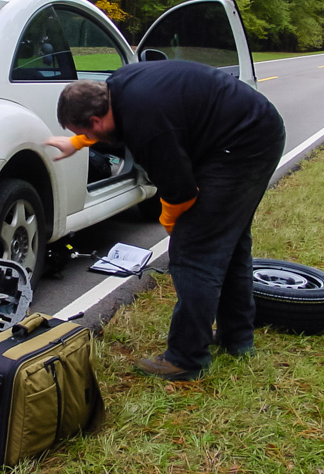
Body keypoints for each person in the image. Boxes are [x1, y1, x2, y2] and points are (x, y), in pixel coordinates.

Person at [45, 60, 286, 381]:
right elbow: (109, 128)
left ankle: (186, 358)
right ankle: (236, 339)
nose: (86, 138)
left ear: (95, 119)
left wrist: (176, 227)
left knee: (195, 253)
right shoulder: (115, 88)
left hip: (244, 145)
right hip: (252, 126)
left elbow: (181, 192)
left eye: (83, 133)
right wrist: (76, 143)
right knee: (230, 239)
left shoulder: (148, 126)